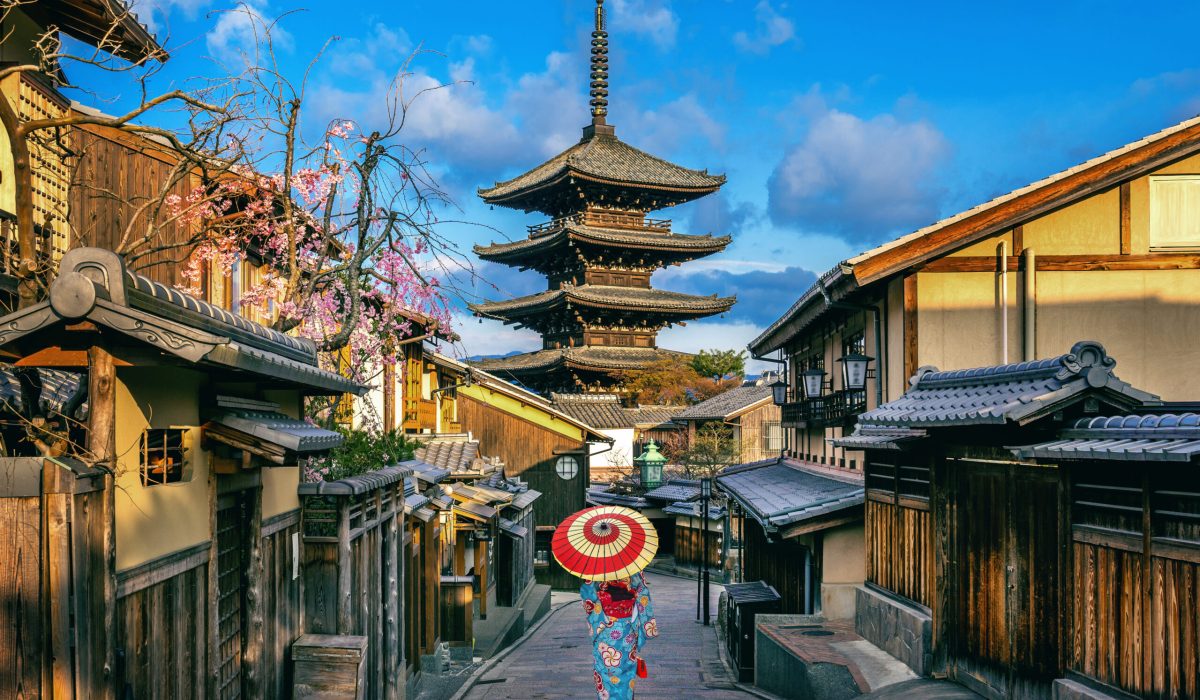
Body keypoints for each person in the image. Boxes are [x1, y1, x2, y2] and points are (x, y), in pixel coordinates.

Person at [579, 572, 658, 700]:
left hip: (604, 627)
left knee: (605, 670)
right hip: (627, 627)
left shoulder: (595, 568)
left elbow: (588, 597)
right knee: (626, 670)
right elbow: (643, 593)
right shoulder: (632, 566)